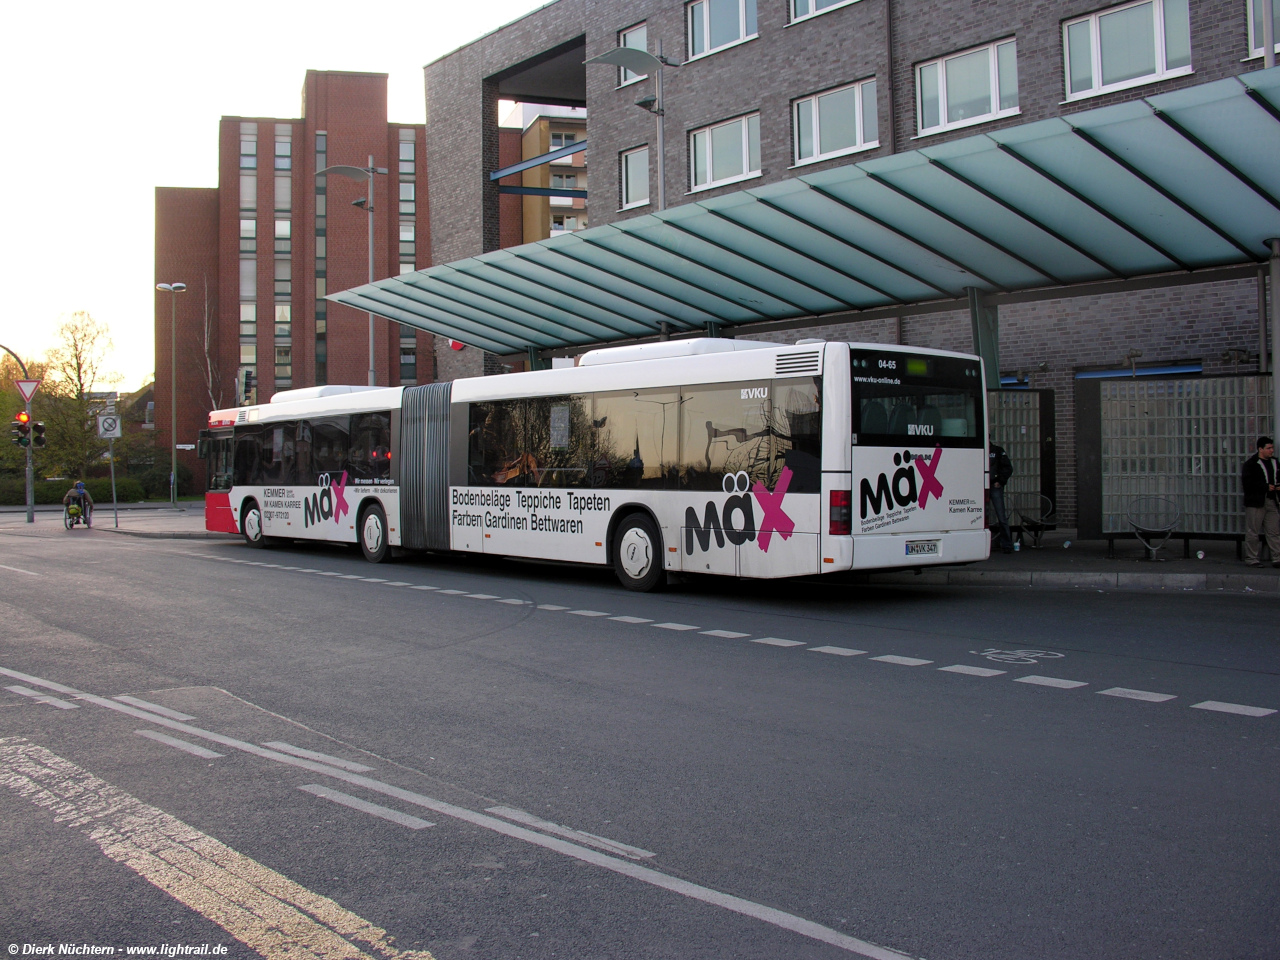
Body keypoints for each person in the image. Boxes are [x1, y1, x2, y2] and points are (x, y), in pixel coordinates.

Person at [1241, 436, 1280, 567]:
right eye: (1268, 448)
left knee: (1274, 531)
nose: (1271, 451)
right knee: (1253, 531)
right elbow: (1247, 483)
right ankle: (1252, 558)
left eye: (1272, 448)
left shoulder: (1275, 463)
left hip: (1271, 500)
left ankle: (1277, 558)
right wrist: (1265, 486)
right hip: (1256, 502)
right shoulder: (1251, 464)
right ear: (1260, 449)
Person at [988, 442, 1015, 554]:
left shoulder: (997, 450)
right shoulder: (981, 449)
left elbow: (1008, 468)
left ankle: (1007, 545)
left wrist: (1000, 481)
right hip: (983, 486)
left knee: (1001, 516)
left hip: (994, 485)